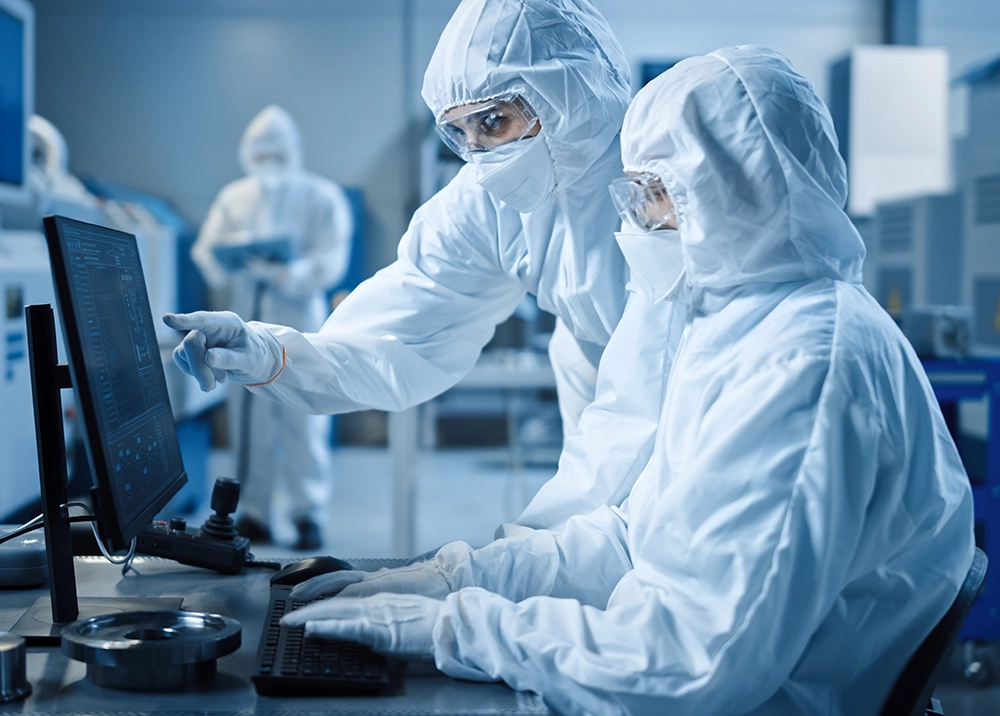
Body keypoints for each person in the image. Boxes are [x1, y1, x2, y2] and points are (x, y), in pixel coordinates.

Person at [280, 46, 975, 715]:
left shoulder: (804, 368)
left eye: (656, 193)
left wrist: (455, 629)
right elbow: (636, 535)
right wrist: (459, 578)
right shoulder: (742, 325)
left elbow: (689, 665)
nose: (639, 221)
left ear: (737, 191)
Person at [165, 0, 669, 538]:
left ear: (571, 89)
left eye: (494, 121)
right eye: (460, 132)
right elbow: (403, 330)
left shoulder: (672, 178)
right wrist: (269, 351)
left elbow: (658, 392)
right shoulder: (487, 200)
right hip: (595, 397)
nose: (477, 152)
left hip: (707, 408)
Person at [188, 104, 354, 549]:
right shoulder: (234, 198)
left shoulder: (321, 197)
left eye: (275, 153)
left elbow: (331, 258)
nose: (268, 163)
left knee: (303, 419)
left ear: (292, 151)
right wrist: (234, 259)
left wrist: (288, 274)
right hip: (246, 321)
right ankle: (253, 512)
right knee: (250, 420)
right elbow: (207, 252)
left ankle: (307, 513)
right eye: (259, 154)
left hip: (302, 322)